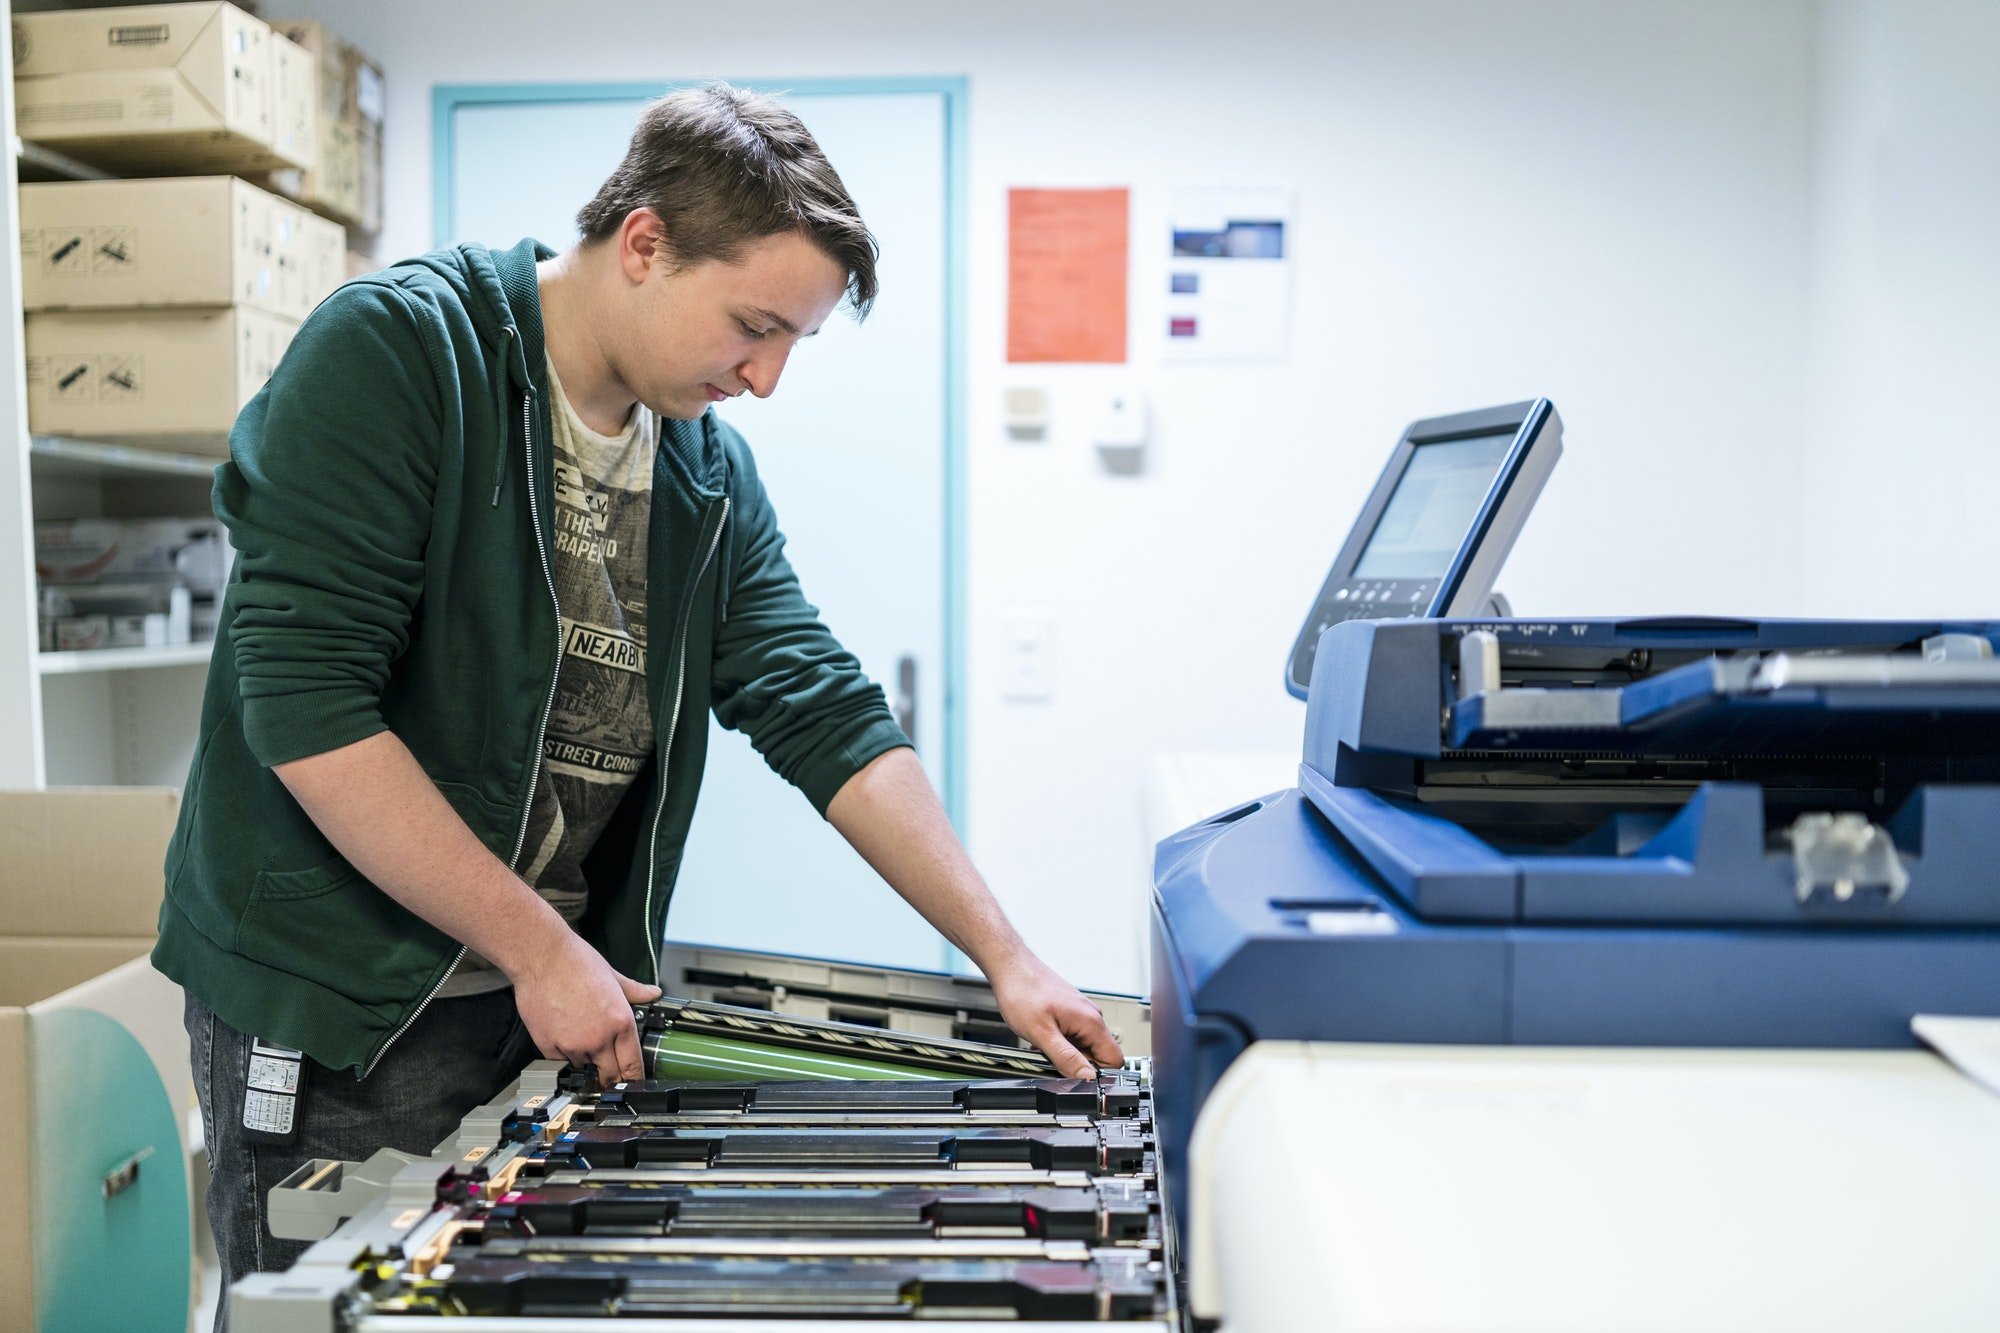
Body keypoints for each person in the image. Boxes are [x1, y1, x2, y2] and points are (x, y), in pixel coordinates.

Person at [152, 82, 1122, 1308]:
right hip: (349, 1005)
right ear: (645, 243)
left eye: (792, 345)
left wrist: (1006, 957)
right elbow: (303, 708)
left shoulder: (703, 467)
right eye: (752, 326)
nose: (764, 378)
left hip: (538, 999)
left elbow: (816, 705)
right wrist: (541, 944)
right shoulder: (402, 354)